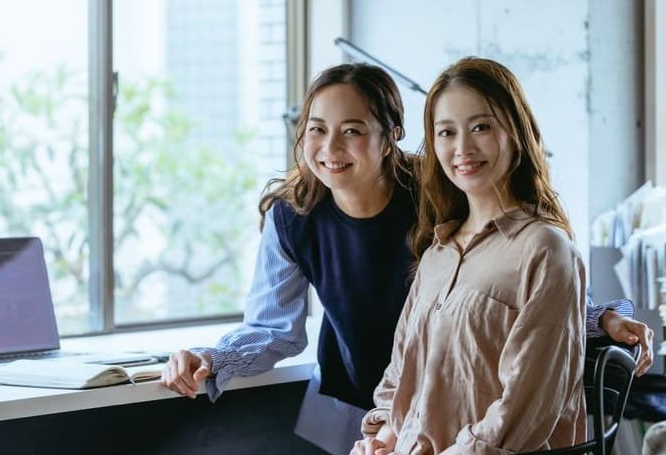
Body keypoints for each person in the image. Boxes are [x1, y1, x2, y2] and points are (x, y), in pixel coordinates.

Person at [160, 63, 654, 455]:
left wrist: (596, 317)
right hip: (369, 404)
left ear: (391, 133)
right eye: (316, 129)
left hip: (466, 406)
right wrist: (214, 358)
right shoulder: (294, 215)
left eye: (352, 130)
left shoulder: (441, 194)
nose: (330, 148)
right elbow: (274, 329)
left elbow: (513, 273)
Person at [352, 56, 611, 455]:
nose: (462, 148)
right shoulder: (437, 254)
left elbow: (527, 408)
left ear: (515, 132)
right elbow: (401, 378)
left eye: (481, 127)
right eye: (446, 132)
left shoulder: (545, 249)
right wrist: (382, 441)